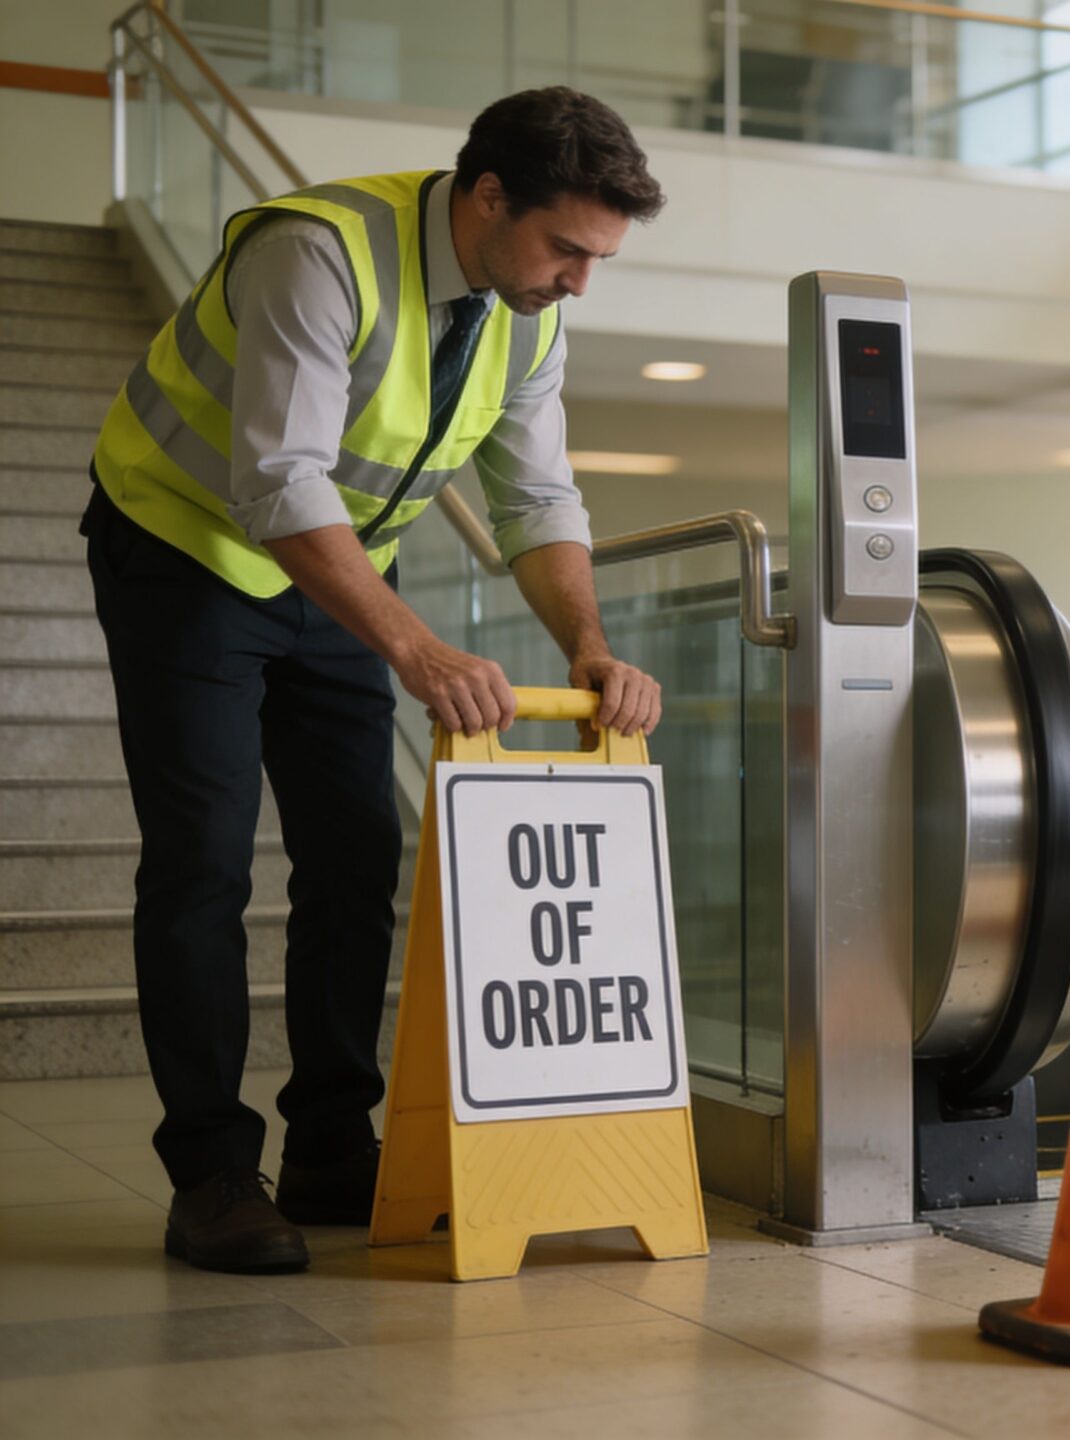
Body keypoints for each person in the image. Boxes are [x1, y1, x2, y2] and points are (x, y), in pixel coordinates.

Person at [84, 87, 667, 1273]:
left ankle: (329, 1147)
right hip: (185, 547)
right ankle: (208, 1173)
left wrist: (588, 647)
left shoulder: (524, 314)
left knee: (355, 859)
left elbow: (538, 499)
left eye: (598, 258)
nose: (578, 282)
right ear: (487, 196)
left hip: (338, 571)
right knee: (202, 854)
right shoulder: (319, 252)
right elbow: (278, 481)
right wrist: (412, 644)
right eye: (567, 248)